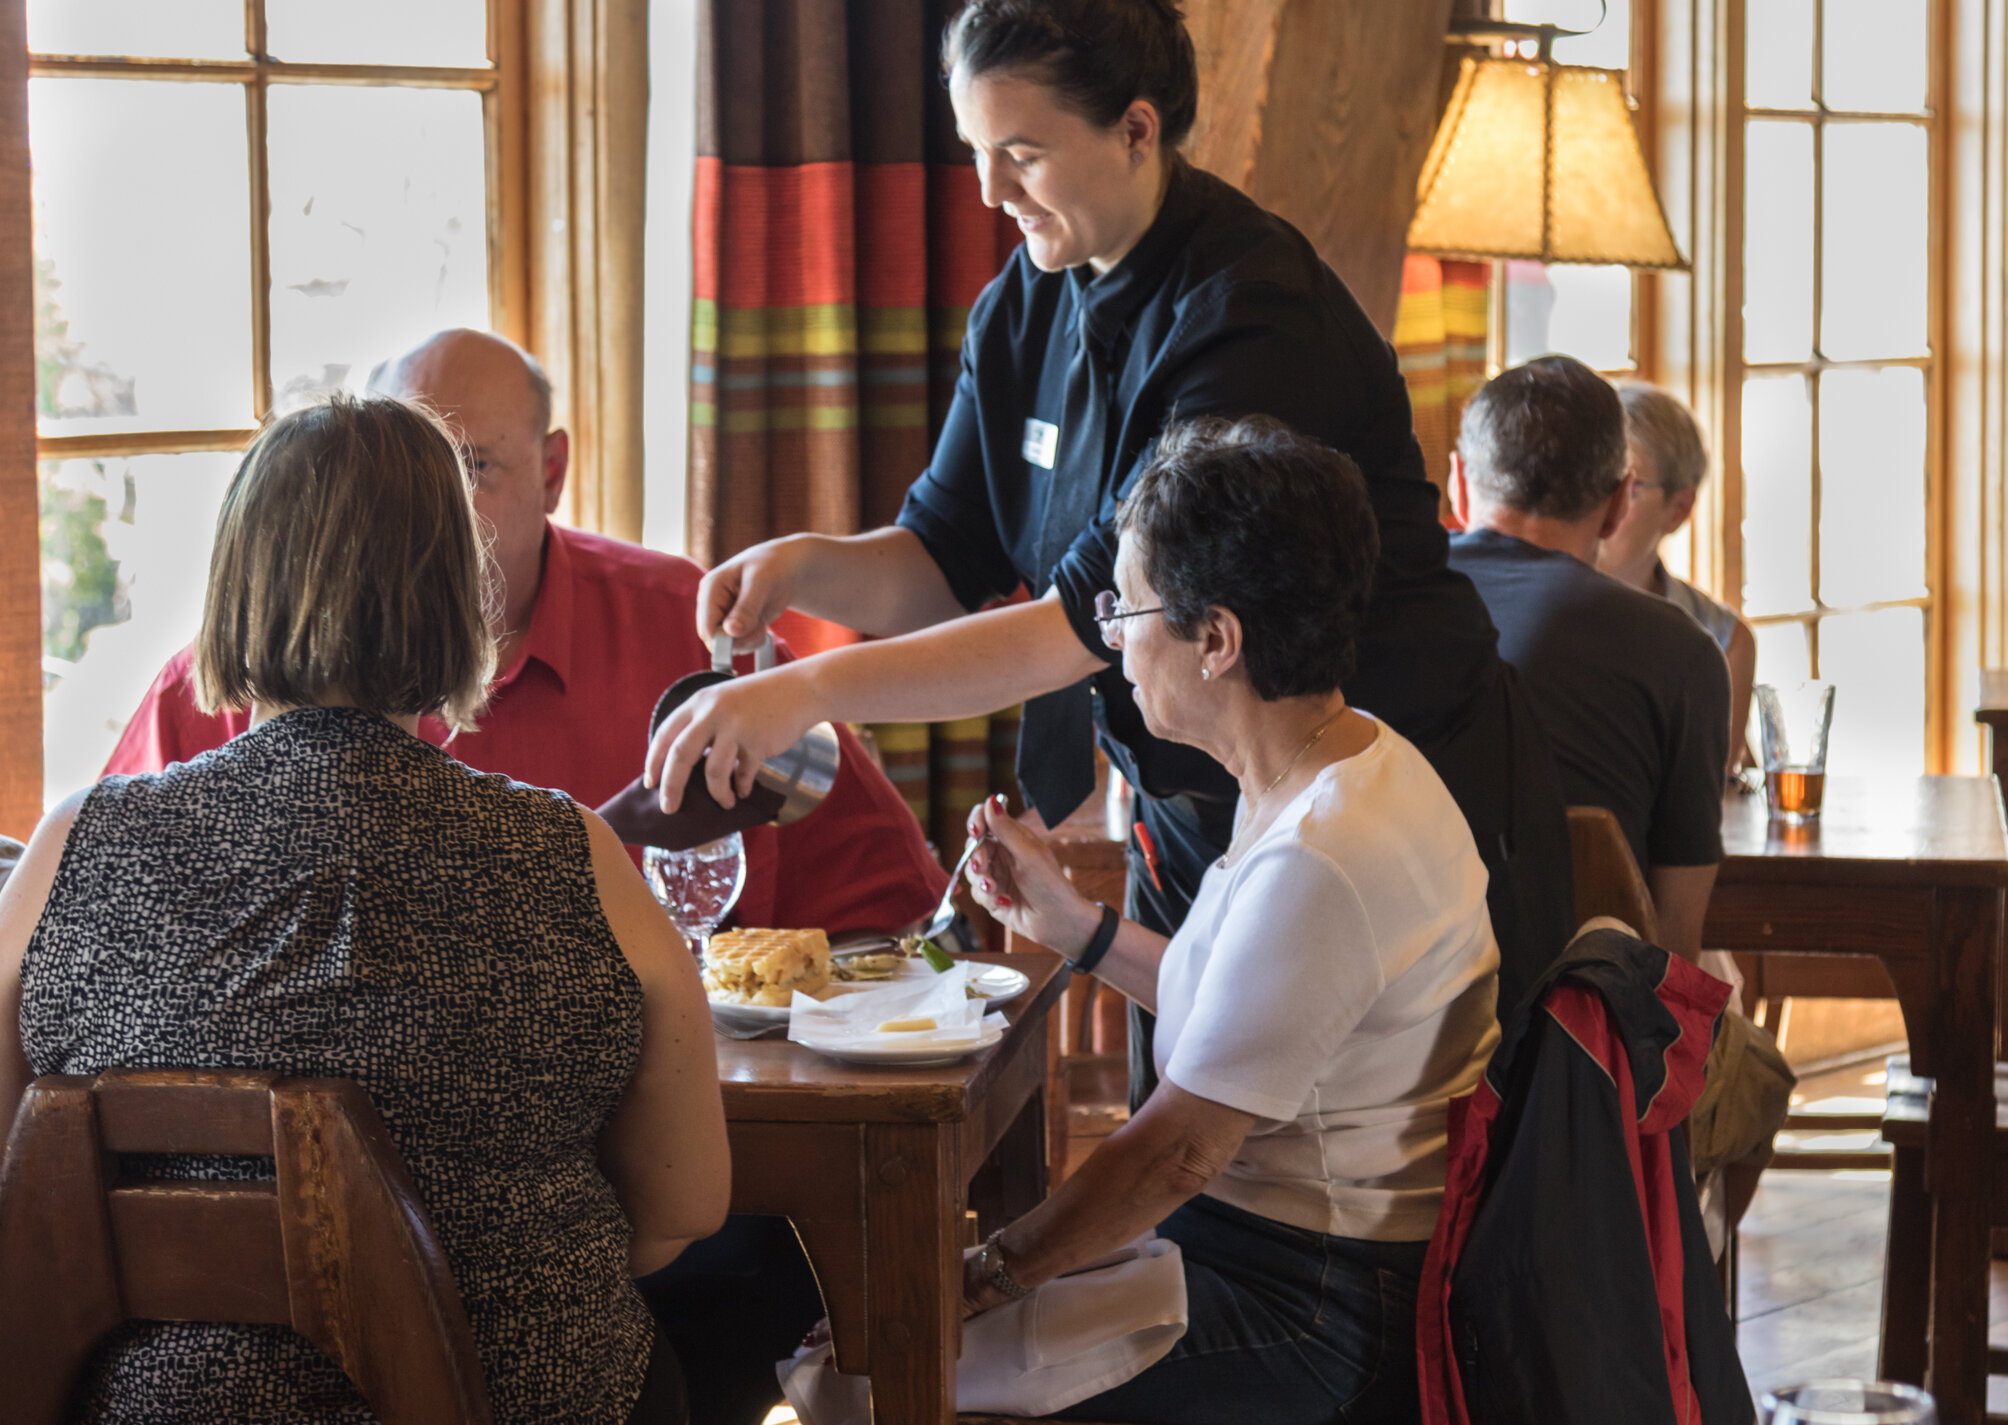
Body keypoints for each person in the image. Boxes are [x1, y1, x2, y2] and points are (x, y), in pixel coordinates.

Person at [644, 0, 1572, 1059]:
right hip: (1196, 810)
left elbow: (1081, 625)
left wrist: (806, 692)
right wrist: (802, 569)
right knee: (1201, 1169)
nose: (991, 191)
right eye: (977, 153)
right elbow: (950, 556)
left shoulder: (1250, 314)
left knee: (1379, 1186)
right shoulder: (1027, 302)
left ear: (1137, 129)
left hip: (1384, 801)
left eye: (1022, 153)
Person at [0, 394, 730, 1423]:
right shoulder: (576, 860)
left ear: (236, 586)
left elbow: (17, 1194)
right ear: (454, 596)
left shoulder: (70, 853)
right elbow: (682, 1208)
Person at [958, 417, 1499, 1424]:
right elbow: (1241, 1020)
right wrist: (1078, 928)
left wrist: (976, 1280)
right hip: (1264, 1252)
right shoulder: (1340, 757)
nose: (1112, 635)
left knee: (903, 1379)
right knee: (888, 1365)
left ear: (1217, 639)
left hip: (1316, 1305)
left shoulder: (1323, 854)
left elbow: (1177, 1151)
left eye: (1128, 606)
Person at [103, 329, 946, 939]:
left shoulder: (687, 633)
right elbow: (109, 919)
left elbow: (888, 907)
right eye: (404, 485)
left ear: (552, 472)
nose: (437, 520)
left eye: (471, 469)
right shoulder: (228, 680)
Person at [1446, 356, 1789, 1232]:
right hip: (1591, 1066)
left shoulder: (1370, 614)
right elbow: (1673, 941)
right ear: (1616, 500)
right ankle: (1673, 1287)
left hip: (1387, 1049)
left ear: (1458, 481)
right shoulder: (1680, 651)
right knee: (1760, 1075)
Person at [1596, 381, 1759, 774]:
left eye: (1629, 487)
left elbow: (1706, 797)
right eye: (1597, 478)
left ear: (1679, 509)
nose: (1605, 501)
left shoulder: (1723, 641)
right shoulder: (1542, 610)